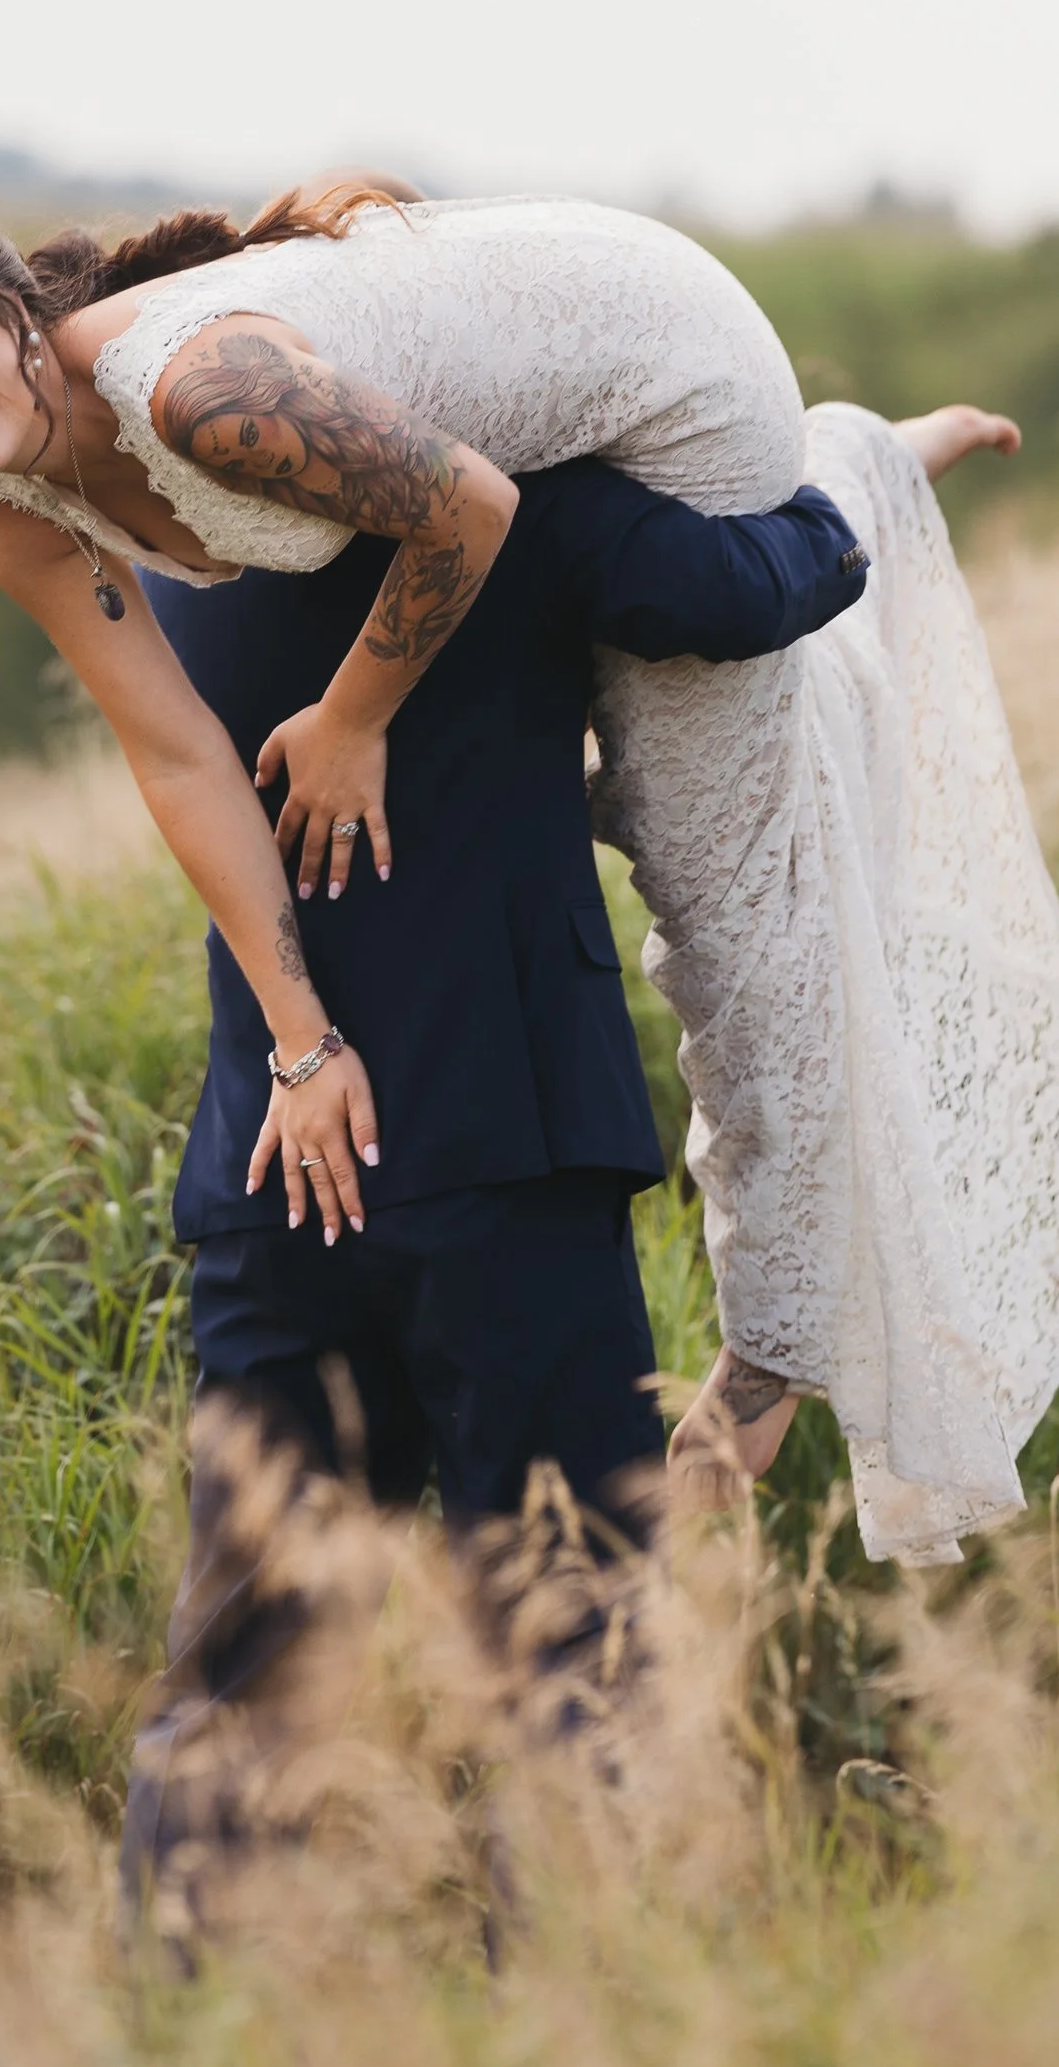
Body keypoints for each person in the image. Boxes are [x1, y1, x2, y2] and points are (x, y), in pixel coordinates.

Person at [0, 174, 1059, 1563]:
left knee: (715, 778)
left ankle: (860, 469)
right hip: (464, 431)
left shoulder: (197, 390)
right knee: (588, 724)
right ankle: (866, 461)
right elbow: (179, 760)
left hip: (667, 364)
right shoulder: (7, 503)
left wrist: (354, 719)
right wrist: (302, 1043)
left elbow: (466, 505)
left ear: (3, 299)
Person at [117, 452, 871, 1938]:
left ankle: (188, 2035)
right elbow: (758, 581)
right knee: (577, 1628)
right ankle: (583, 2017)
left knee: (244, 1666)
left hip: (276, 1171)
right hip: (508, 1153)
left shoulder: (170, 546)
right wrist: (843, 494)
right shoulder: (531, 503)